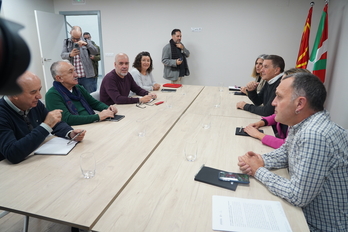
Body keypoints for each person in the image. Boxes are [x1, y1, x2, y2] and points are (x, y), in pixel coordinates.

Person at [238, 72, 348, 231]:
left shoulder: (314, 135)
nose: (274, 103)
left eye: (279, 97)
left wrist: (258, 170)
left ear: (299, 104)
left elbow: (297, 195)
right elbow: (286, 151)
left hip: (318, 226)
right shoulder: (304, 122)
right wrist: (261, 159)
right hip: (305, 215)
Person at [0, 71, 86, 164]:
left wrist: (70, 133)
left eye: (39, 90)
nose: (39, 96)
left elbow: (54, 123)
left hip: (34, 158)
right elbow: (12, 154)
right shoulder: (2, 114)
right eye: (33, 92)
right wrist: (46, 125)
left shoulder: (33, 103)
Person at [243, 68, 311, 149]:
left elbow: (287, 146)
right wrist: (262, 122)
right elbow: (275, 115)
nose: (273, 103)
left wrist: (258, 135)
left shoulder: (305, 125)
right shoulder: (291, 107)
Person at [45, 60, 117, 126]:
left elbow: (95, 103)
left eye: (75, 71)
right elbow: (67, 119)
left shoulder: (78, 88)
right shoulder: (52, 95)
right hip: (75, 129)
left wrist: (108, 108)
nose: (76, 75)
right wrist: (97, 117)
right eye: (71, 72)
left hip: (91, 123)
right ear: (59, 78)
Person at [61, 26, 99, 93]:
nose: (75, 40)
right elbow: (62, 55)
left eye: (77, 38)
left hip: (88, 76)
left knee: (91, 96)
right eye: (74, 38)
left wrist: (87, 45)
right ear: (70, 33)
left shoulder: (86, 41)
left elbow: (96, 51)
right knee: (76, 96)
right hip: (73, 76)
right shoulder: (66, 42)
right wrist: (70, 54)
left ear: (81, 34)